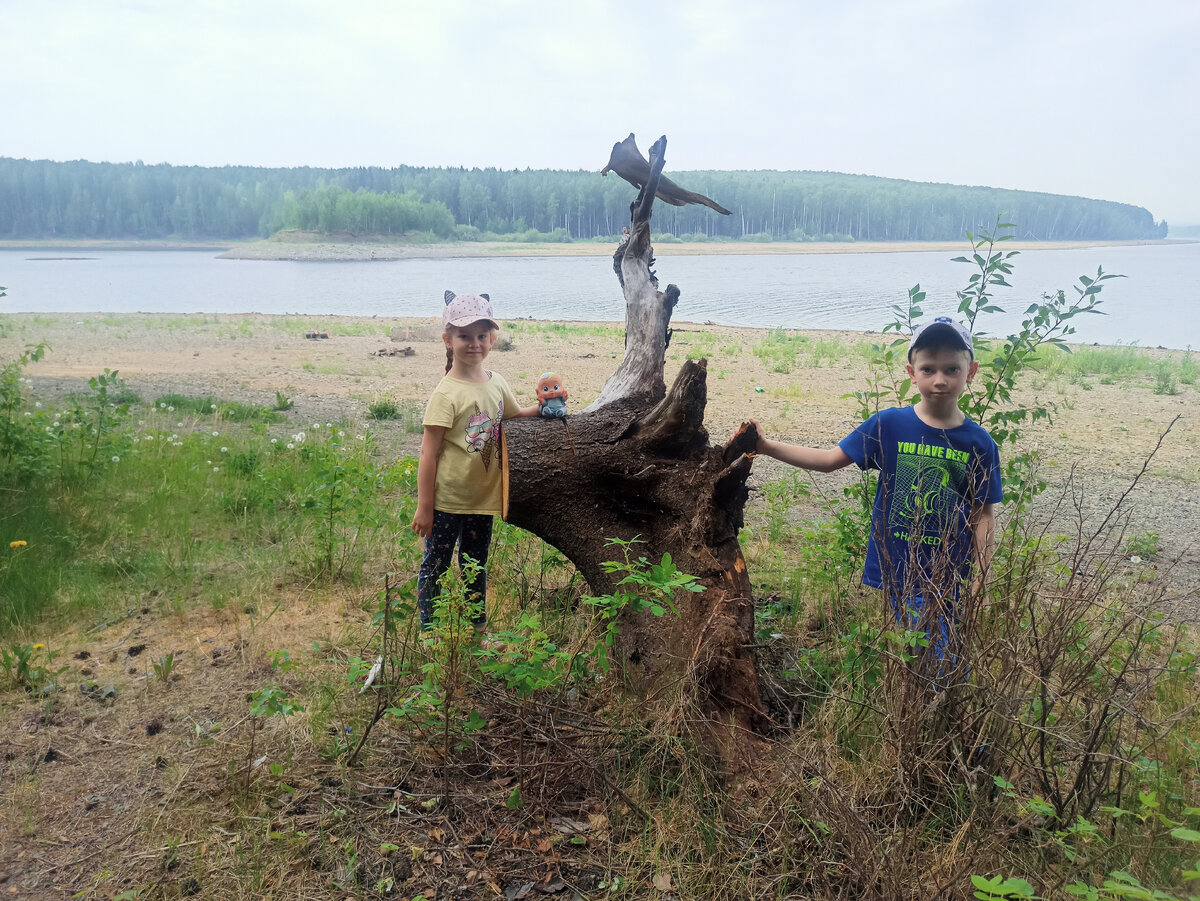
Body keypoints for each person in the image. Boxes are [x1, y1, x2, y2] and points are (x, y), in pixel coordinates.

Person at [752, 316, 1002, 674]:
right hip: (900, 568)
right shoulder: (889, 425)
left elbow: (984, 515)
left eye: (952, 369)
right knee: (921, 654)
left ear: (971, 371)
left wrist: (980, 578)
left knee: (940, 657)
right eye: (928, 369)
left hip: (952, 574)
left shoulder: (979, 444)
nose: (940, 380)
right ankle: (925, 713)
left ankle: (931, 713)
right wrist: (765, 446)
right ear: (911, 372)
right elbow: (828, 461)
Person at [411, 291, 538, 630]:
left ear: (492, 339)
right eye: (464, 336)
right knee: (435, 564)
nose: (474, 343)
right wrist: (425, 506)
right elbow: (428, 453)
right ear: (447, 340)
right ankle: (429, 630)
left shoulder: (497, 383)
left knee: (475, 566)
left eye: (482, 335)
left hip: (483, 501)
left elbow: (513, 416)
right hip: (447, 502)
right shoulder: (446, 393)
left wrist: (543, 409)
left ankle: (476, 629)